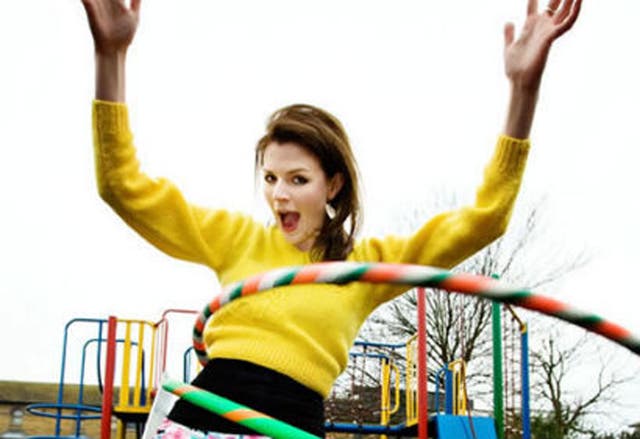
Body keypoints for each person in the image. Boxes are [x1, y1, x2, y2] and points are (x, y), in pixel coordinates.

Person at [80, 0, 581, 437]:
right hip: (203, 416)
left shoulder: (364, 268)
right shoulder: (232, 238)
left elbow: (486, 219)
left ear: (333, 185)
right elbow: (122, 188)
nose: (280, 196)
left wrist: (524, 92)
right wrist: (111, 56)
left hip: (292, 422)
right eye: (271, 179)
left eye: (298, 180)